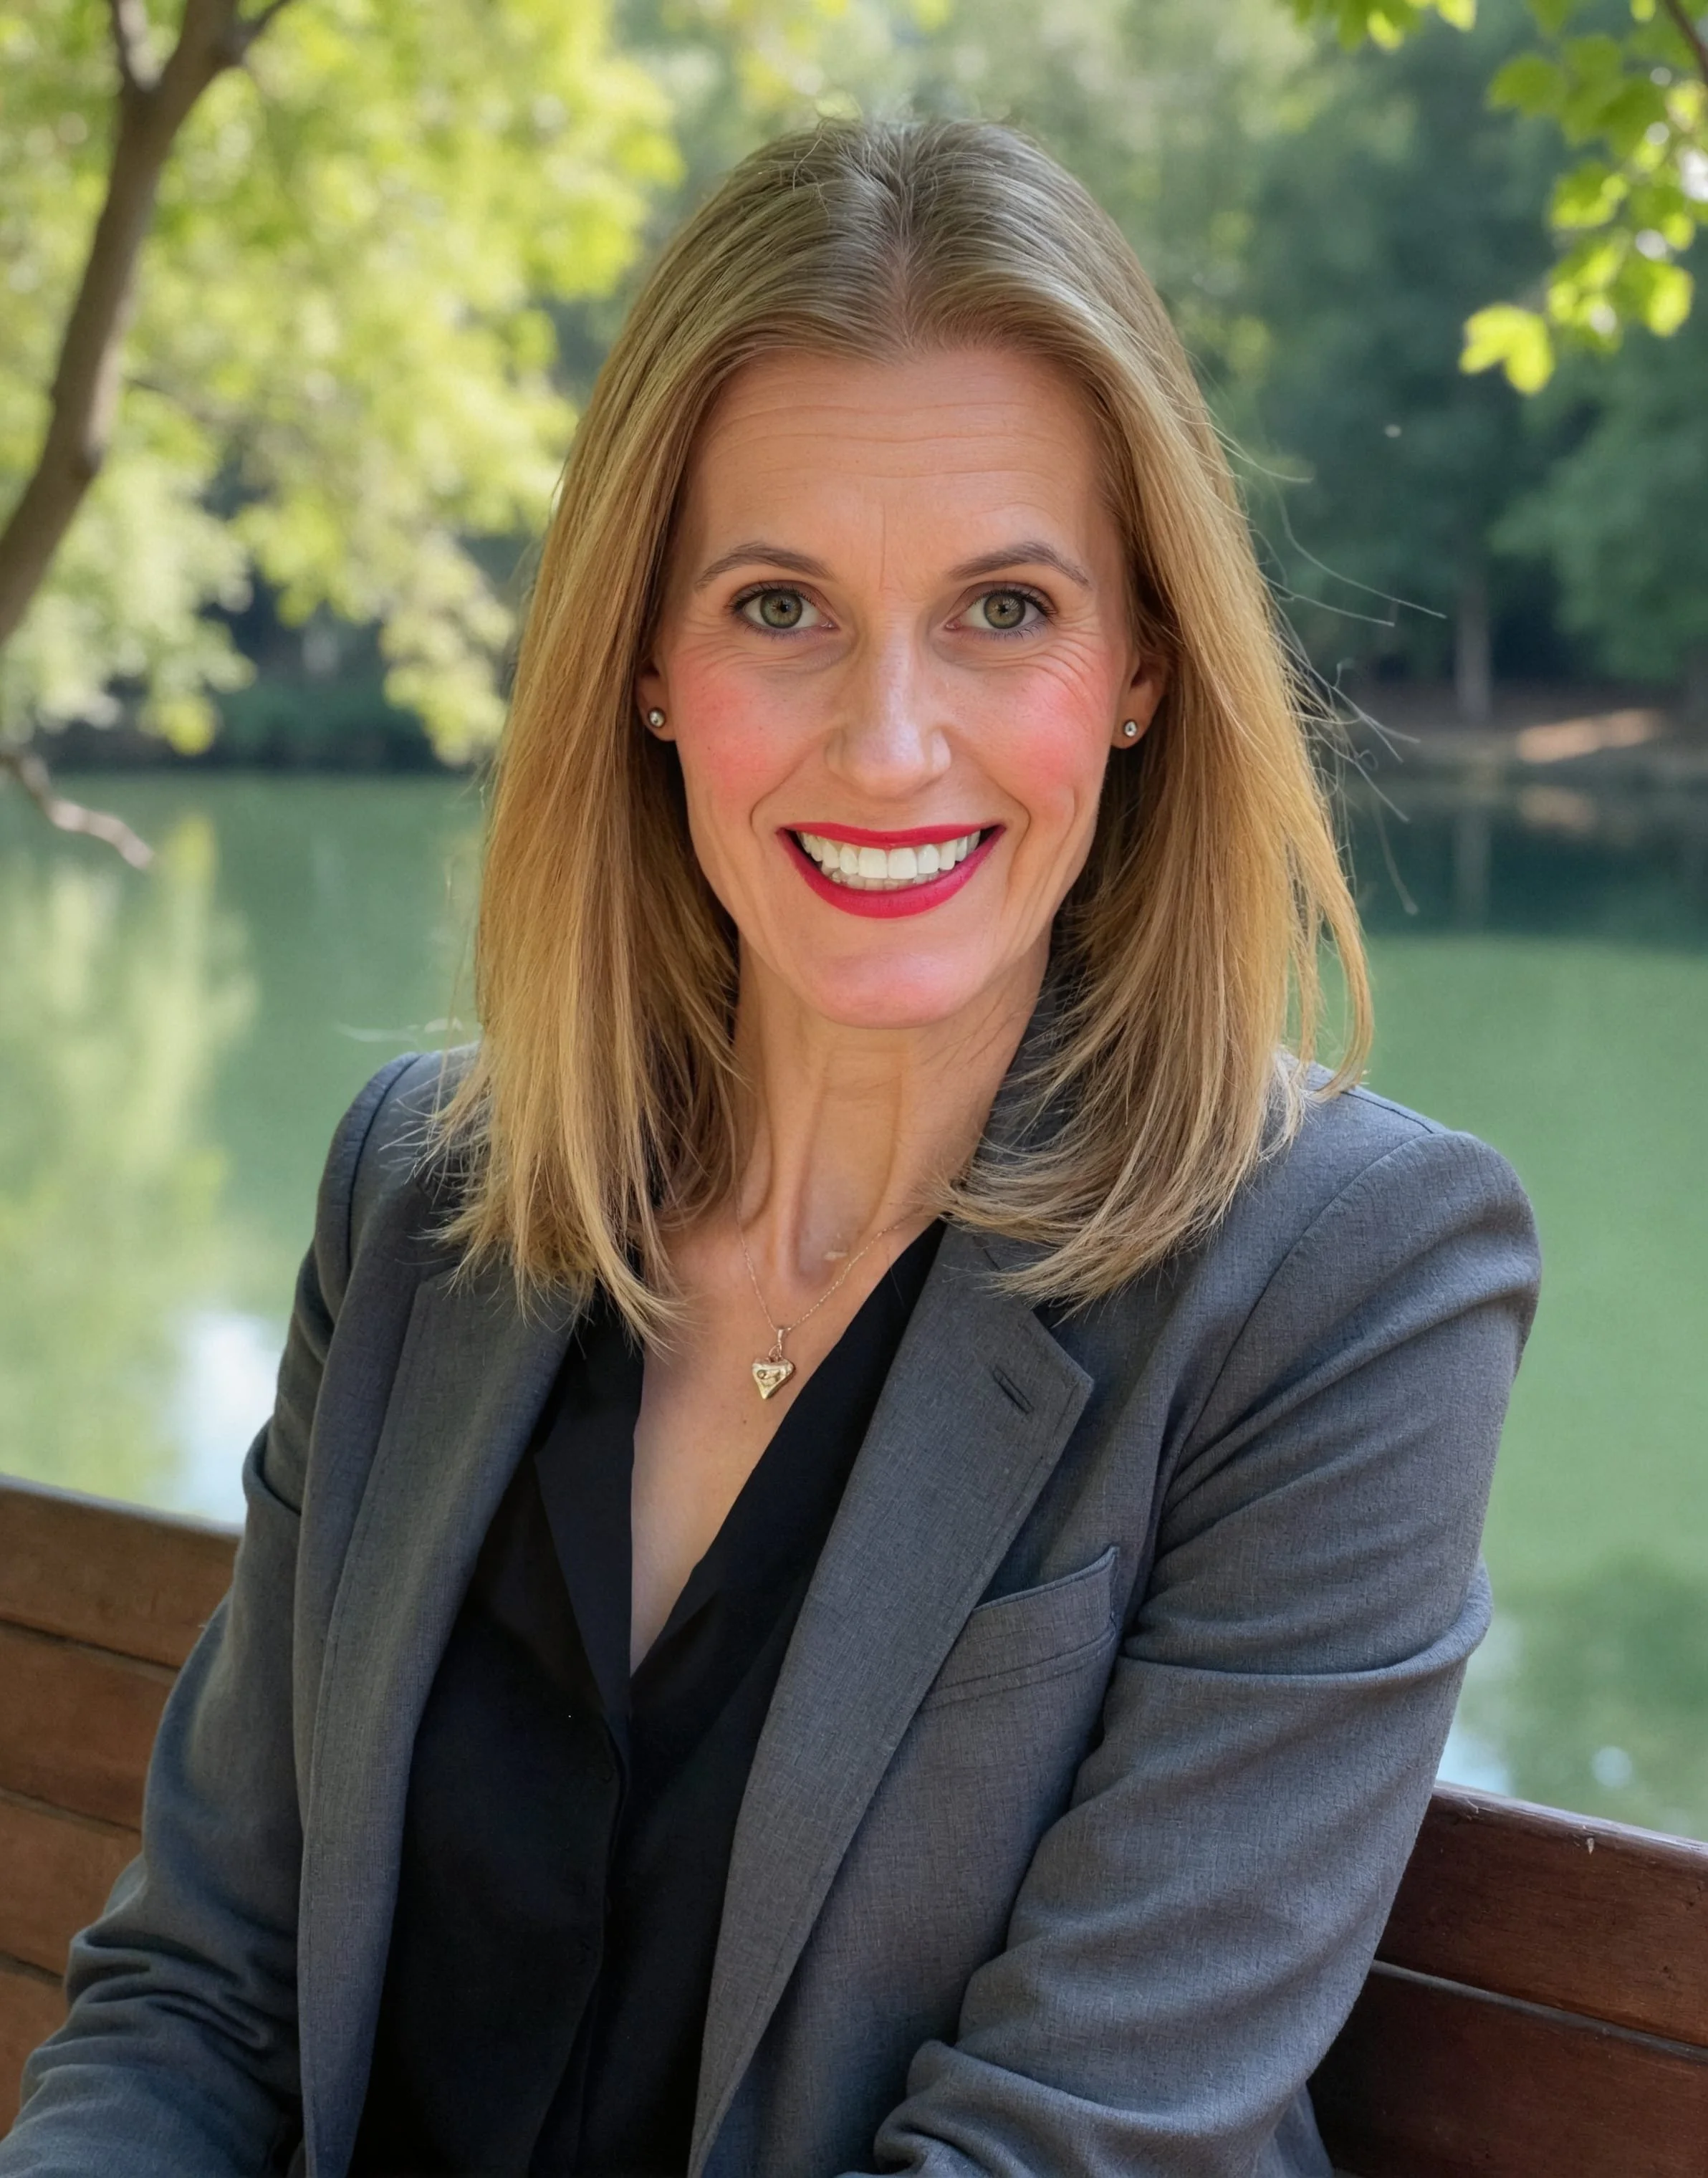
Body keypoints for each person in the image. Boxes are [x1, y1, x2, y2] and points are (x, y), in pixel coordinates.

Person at [0, 120, 1540, 2178]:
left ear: (1145, 667)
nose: (891, 742)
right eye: (780, 605)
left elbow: (1064, 2149)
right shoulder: (425, 1198)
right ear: (647, 665)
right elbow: (200, 1995)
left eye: (1004, 606)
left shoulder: (1349, 1283)